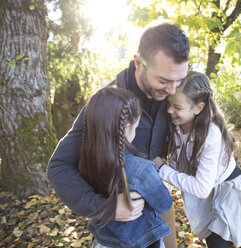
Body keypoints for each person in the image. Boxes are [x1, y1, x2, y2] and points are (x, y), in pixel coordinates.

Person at [47, 22, 189, 247]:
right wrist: (105, 207)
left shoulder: (177, 93)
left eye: (179, 80)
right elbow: (59, 166)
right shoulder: (107, 105)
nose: (173, 90)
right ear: (138, 63)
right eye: (163, 81)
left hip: (160, 209)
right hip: (120, 228)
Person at [153, 71, 241, 248]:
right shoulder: (175, 125)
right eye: (169, 104)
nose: (169, 110)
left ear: (198, 108)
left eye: (178, 107)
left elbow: (201, 188)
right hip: (205, 191)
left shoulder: (210, 134)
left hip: (227, 191)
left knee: (218, 244)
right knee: (208, 239)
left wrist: (162, 169)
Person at [79, 86, 172, 247]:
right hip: (142, 242)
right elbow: (164, 203)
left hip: (103, 240)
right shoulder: (141, 170)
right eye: (136, 126)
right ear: (126, 128)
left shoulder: (86, 159)